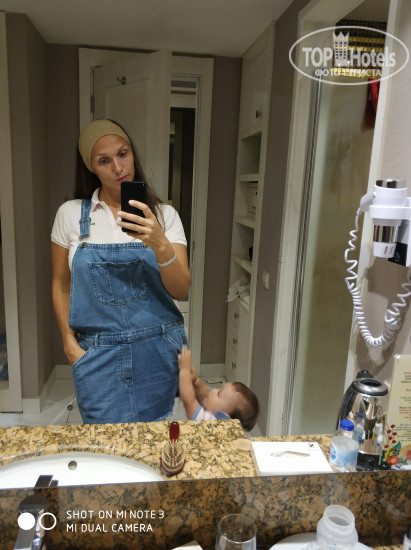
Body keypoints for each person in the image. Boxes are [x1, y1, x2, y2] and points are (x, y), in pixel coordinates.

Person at [51, 119, 191, 424]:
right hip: (97, 355)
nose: (118, 167)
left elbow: (181, 290)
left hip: (158, 351)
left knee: (155, 442)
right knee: (103, 445)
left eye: (123, 154)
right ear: (91, 167)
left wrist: (159, 243)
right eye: (104, 160)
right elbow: (61, 284)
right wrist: (69, 343)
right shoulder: (70, 215)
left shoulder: (165, 216)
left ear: (132, 154)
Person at [178, 346, 259, 431]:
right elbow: (206, 397)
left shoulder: (211, 424)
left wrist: (184, 369)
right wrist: (196, 381)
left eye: (219, 393)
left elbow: (189, 401)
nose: (214, 390)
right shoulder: (224, 423)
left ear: (223, 415)